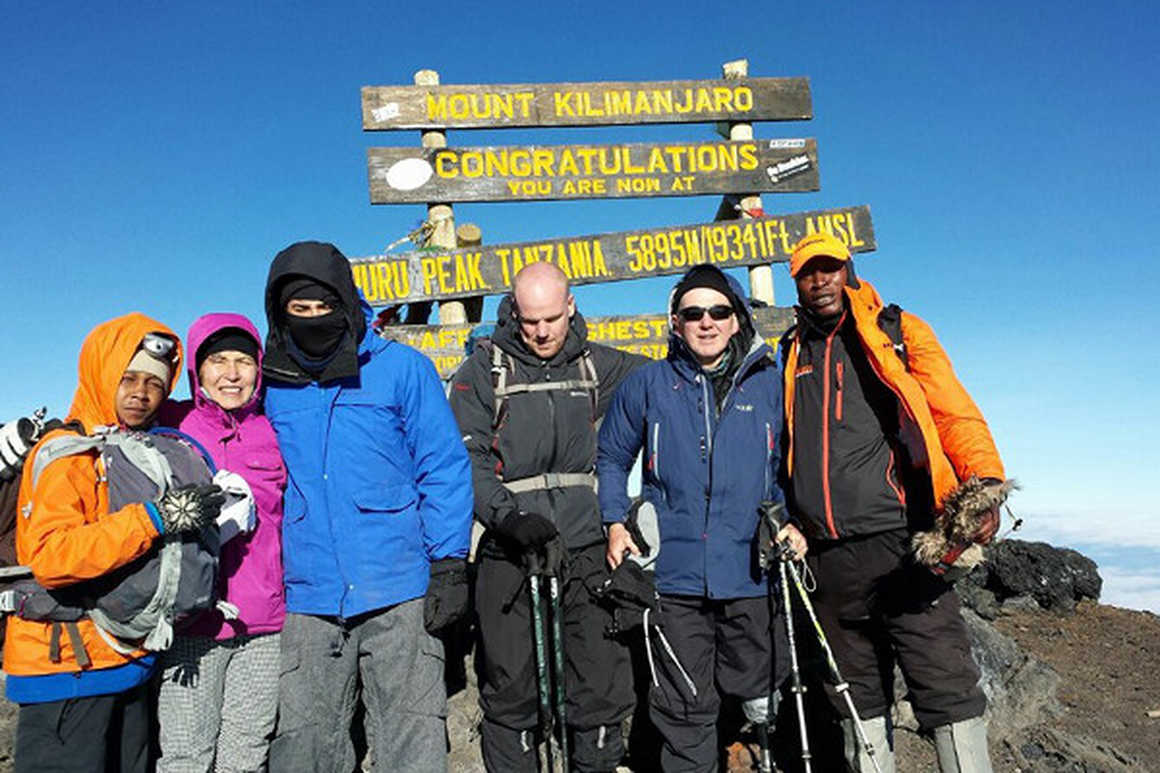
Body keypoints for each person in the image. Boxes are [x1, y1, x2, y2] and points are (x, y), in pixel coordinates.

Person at [779, 232, 1010, 772]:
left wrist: (985, 482)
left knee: (946, 684)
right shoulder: (792, 351)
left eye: (830, 268)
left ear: (849, 270)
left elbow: (954, 411)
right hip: (827, 558)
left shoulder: (898, 332)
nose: (821, 281)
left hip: (904, 542)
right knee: (855, 696)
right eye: (809, 272)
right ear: (797, 282)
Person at [262, 241, 473, 773]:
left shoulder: (402, 368)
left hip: (399, 587)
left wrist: (449, 562)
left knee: (412, 737)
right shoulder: (270, 383)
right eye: (298, 311)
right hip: (307, 594)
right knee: (305, 744)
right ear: (278, 312)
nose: (313, 320)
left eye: (324, 307)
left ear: (347, 303)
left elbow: (442, 466)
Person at [596, 265, 803, 772]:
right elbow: (611, 458)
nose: (706, 322)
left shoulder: (772, 386)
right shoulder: (648, 385)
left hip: (752, 573)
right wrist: (614, 520)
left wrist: (795, 523)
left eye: (719, 311)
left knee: (758, 703)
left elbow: (794, 468)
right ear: (675, 321)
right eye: (693, 313)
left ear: (738, 320)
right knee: (685, 708)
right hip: (674, 576)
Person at [4, 313, 224, 773]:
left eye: (154, 383)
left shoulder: (140, 449)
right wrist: (154, 518)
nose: (140, 393)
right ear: (100, 372)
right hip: (65, 667)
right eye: (128, 378)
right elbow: (53, 556)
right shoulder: (68, 452)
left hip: (127, 658)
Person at [448, 262, 645, 772]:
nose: (541, 332)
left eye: (552, 319)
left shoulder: (598, 365)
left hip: (585, 550)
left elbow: (670, 377)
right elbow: (463, 460)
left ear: (572, 306)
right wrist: (508, 517)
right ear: (514, 310)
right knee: (512, 691)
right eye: (530, 319)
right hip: (510, 551)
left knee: (598, 685)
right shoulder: (483, 370)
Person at [156, 313, 286, 771]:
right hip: (193, 622)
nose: (231, 374)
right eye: (217, 361)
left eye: (243, 361)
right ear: (196, 369)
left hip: (264, 623)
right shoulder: (172, 423)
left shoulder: (275, 428)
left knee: (247, 750)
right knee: (186, 752)